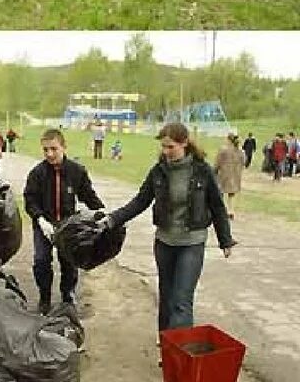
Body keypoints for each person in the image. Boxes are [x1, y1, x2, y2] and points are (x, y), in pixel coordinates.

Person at [105, 122, 236, 332]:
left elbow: (218, 206)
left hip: (192, 243)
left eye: (170, 147)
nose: (166, 152)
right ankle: (166, 345)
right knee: (166, 296)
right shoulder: (158, 171)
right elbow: (140, 201)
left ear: (184, 143)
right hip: (164, 243)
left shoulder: (202, 170)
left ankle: (181, 352)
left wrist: (225, 240)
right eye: (163, 147)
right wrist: (113, 219)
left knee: (181, 300)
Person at [23, 128, 105, 313]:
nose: (49, 154)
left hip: (68, 224)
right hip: (44, 224)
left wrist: (101, 212)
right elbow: (30, 199)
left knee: (69, 262)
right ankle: (45, 297)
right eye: (45, 150)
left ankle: (68, 295)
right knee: (41, 260)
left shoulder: (76, 171)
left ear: (63, 147)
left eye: (53, 149)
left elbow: (88, 195)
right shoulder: (37, 173)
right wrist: (40, 219)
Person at [214, 132, 245, 220]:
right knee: (232, 194)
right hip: (235, 174)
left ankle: (223, 210)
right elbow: (243, 163)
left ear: (228, 139)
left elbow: (217, 162)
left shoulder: (223, 150)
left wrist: (215, 170)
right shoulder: (241, 151)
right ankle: (231, 210)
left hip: (224, 173)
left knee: (221, 192)